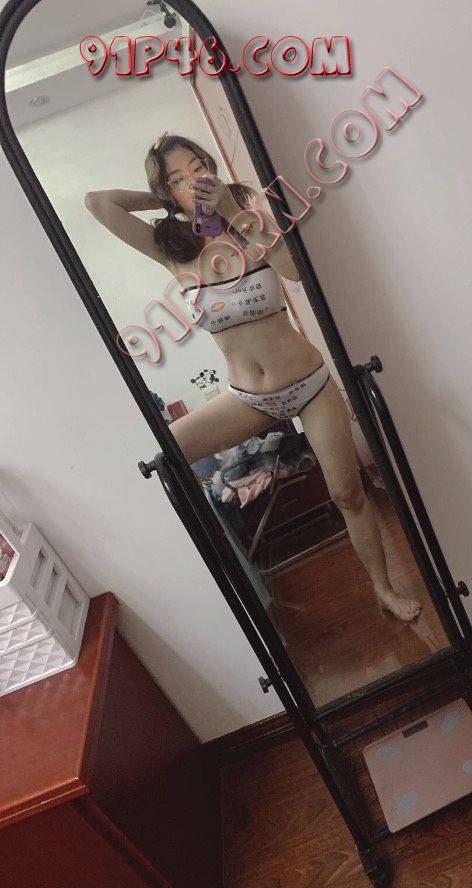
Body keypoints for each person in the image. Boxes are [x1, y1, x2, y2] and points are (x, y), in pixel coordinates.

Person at [85, 132, 421, 622]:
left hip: (310, 385)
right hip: (248, 397)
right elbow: (98, 203)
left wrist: (229, 207)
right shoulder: (172, 250)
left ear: (212, 168)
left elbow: (294, 271)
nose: (192, 181)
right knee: (169, 452)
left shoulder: (251, 225)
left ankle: (384, 589)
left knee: (348, 495)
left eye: (197, 168)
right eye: (177, 179)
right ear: (166, 191)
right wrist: (163, 198)